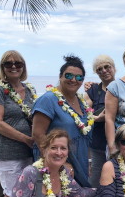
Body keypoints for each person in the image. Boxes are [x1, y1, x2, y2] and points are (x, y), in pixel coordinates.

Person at [32, 55, 93, 189]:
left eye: (79, 77)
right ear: (60, 76)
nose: (73, 80)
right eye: (69, 75)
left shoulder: (81, 102)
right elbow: (38, 134)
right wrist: (59, 163)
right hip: (56, 162)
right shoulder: (48, 100)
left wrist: (87, 162)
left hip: (79, 161)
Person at [0, 50, 37, 197]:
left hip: (30, 153)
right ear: (2, 67)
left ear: (24, 67)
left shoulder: (30, 90)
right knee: (12, 194)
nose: (14, 66)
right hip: (9, 154)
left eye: (18, 63)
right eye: (8, 64)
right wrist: (25, 139)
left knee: (28, 194)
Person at [84, 55, 116, 187]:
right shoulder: (92, 90)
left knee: (118, 177)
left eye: (107, 67)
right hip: (98, 143)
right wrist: (98, 119)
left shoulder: (122, 87)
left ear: (113, 68)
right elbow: (85, 112)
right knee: (96, 177)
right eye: (99, 69)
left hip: (120, 142)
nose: (104, 71)